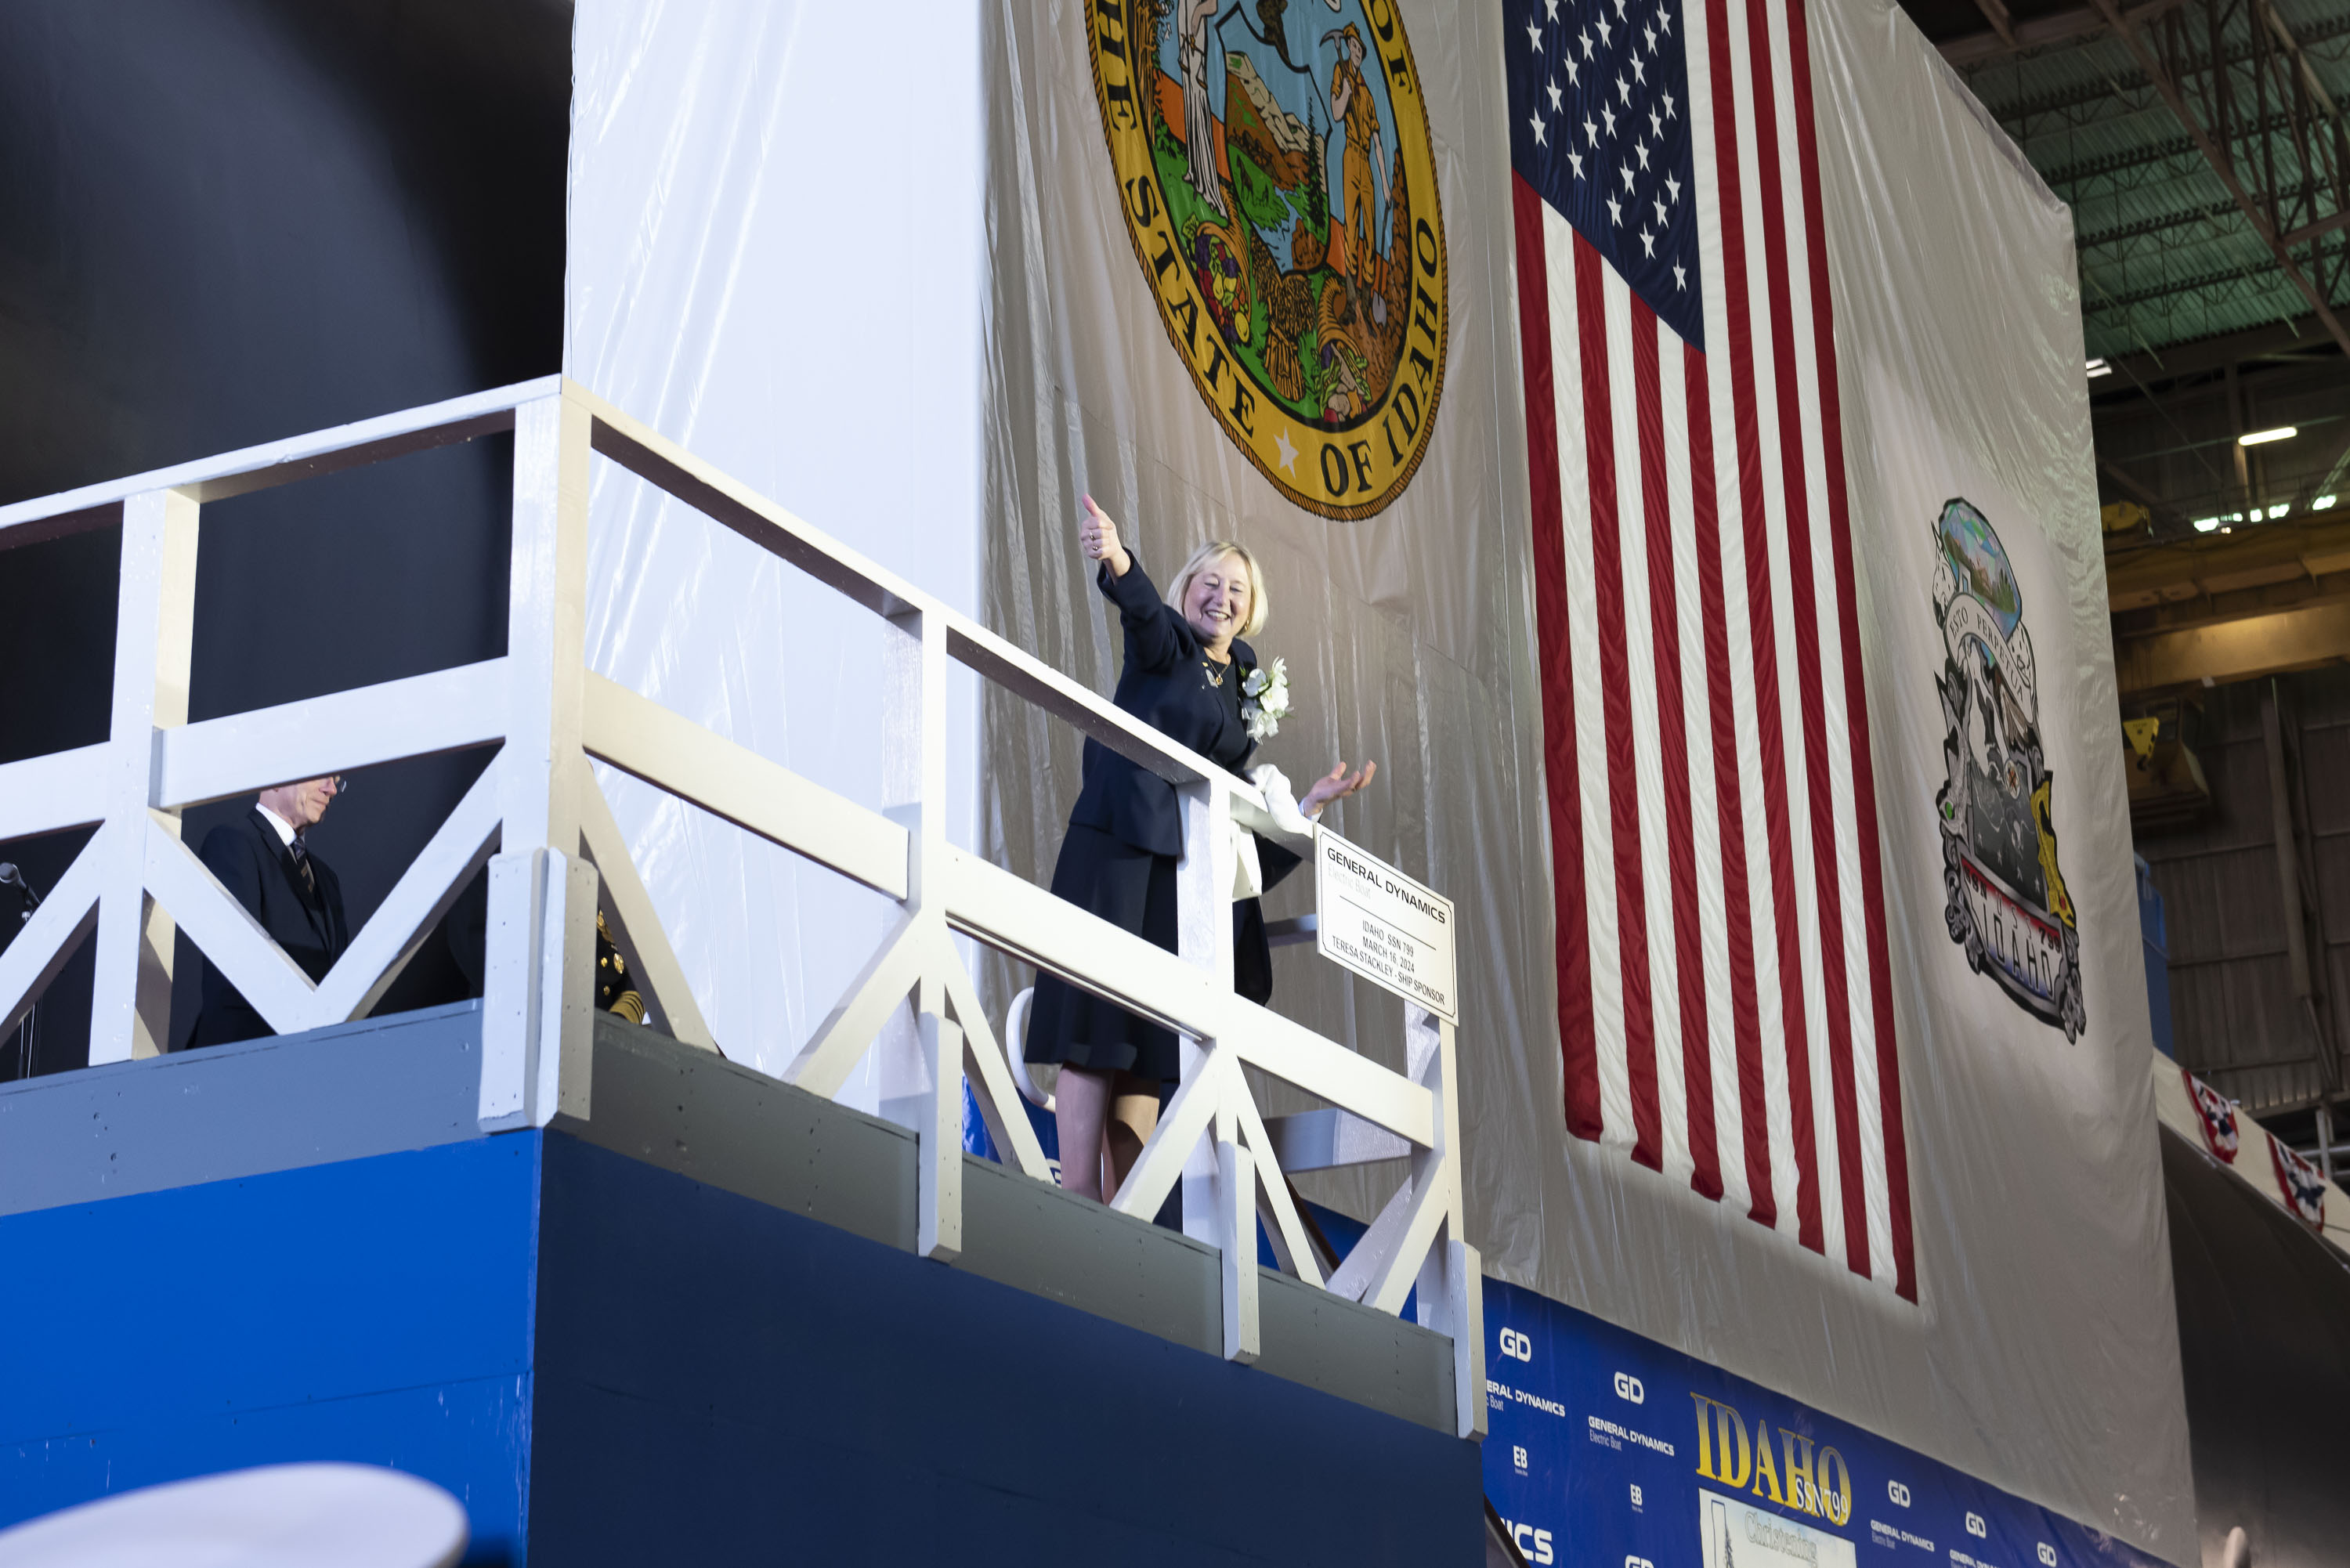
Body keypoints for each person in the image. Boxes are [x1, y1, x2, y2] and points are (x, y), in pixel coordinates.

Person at [1025, 495, 1374, 1202]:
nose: (1220, 597)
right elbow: (1145, 616)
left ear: (1251, 611)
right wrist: (1119, 559)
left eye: (1236, 590)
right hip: (1119, 849)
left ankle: (1127, 1218)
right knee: (1098, 1024)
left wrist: (1305, 807)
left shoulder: (1244, 678)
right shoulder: (1168, 647)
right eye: (1208, 583)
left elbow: (1236, 792)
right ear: (1186, 589)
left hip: (1176, 874)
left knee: (1147, 1047)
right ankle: (1078, 1203)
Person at [187, 775, 351, 1048]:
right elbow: (232, 984)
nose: (331, 789)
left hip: (319, 1061)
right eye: (323, 775)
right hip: (249, 1063)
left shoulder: (326, 877)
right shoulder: (233, 843)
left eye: (336, 781)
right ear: (276, 778)